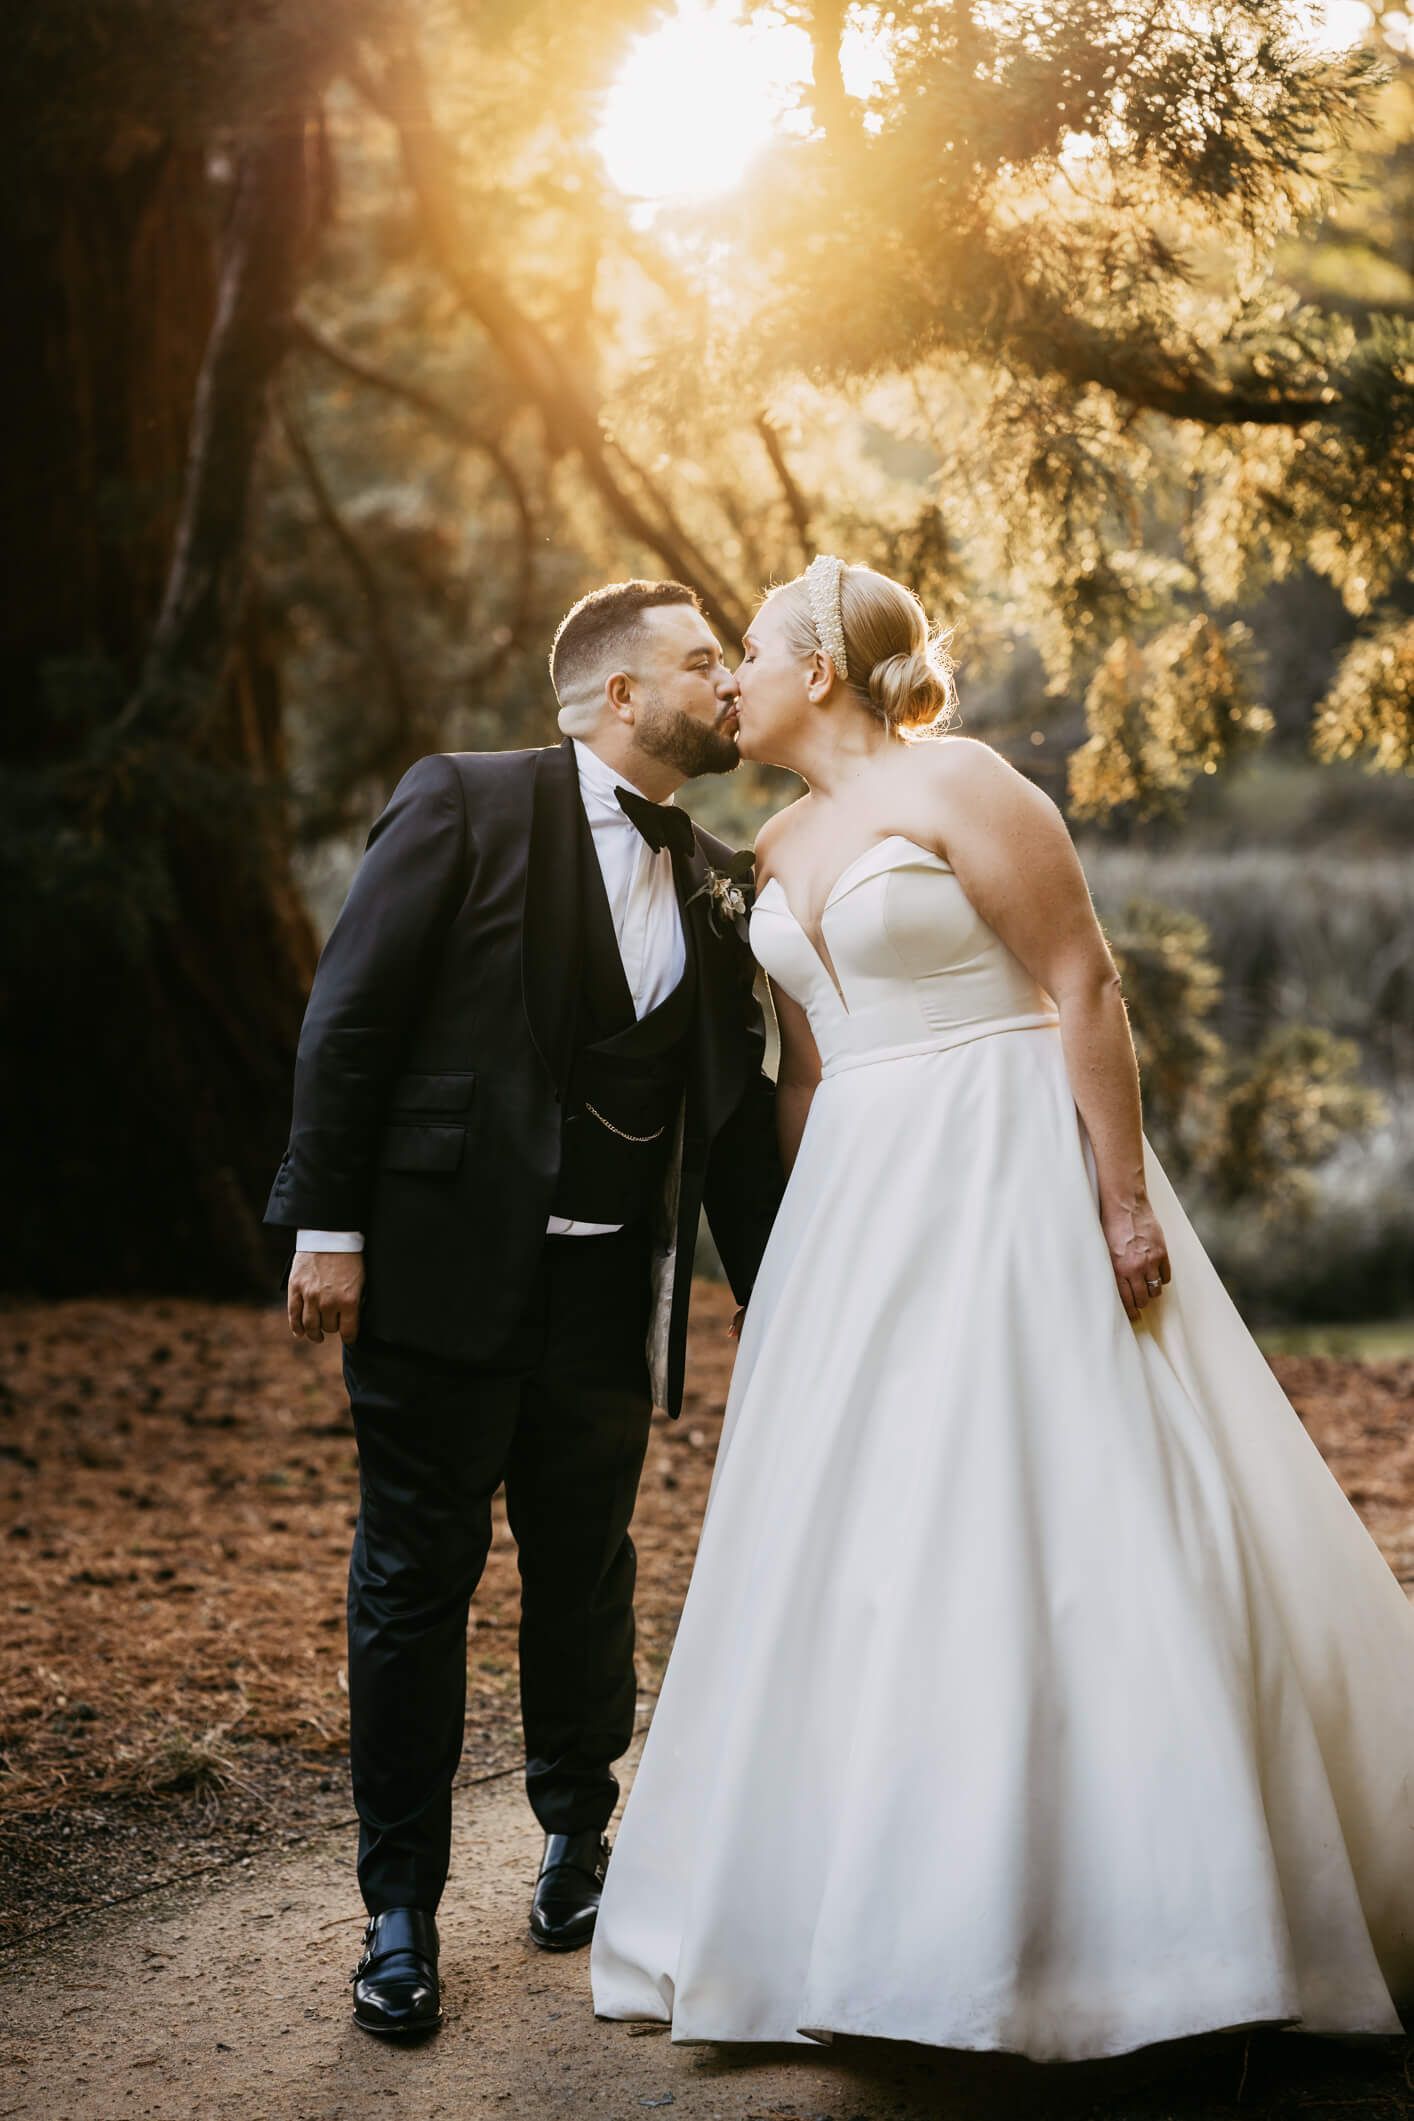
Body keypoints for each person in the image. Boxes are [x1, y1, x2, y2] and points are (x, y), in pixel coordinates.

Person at [590, 555, 1414, 2060]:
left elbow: (1081, 984)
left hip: (1002, 1163)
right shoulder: (771, 839)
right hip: (855, 1196)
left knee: (1052, 1493)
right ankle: (856, 1917)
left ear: (821, 668)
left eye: (750, 655)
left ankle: (1152, 1932)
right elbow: (807, 1072)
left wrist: (1116, 1195)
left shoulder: (965, 785)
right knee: (861, 1527)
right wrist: (785, 1262)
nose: (731, 683)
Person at [264, 580, 783, 2038]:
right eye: (700, 661)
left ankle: (575, 1839)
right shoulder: (463, 802)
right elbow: (349, 1013)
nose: (726, 682)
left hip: (608, 1290)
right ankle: (398, 1912)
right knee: (413, 1583)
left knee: (585, 1569)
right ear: (620, 695)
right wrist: (330, 1220)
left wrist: (792, 1290)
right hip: (434, 1270)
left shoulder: (720, 873)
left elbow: (732, 1113)